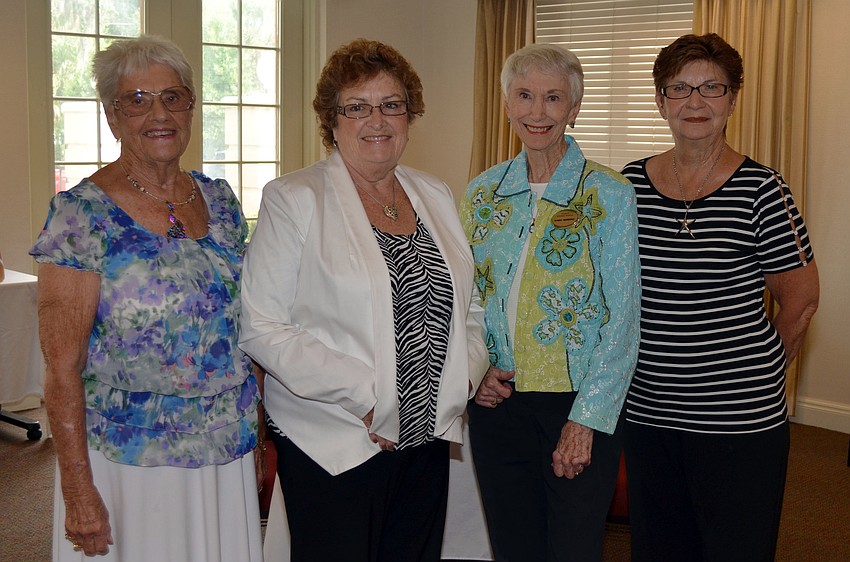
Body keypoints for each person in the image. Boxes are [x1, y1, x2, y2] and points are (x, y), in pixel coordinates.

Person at [238, 38, 490, 562]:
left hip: (427, 433)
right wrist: (374, 400)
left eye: (391, 105)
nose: (376, 120)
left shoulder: (435, 193)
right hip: (338, 438)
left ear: (408, 115)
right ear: (332, 119)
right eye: (357, 107)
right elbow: (263, 326)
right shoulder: (294, 198)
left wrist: (458, 383)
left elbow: (470, 309)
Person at [30, 35, 264, 561]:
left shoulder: (221, 201)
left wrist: (256, 433)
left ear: (191, 107)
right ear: (112, 117)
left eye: (172, 97)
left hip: (224, 447)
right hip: (130, 460)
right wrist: (77, 489)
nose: (158, 113)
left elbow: (247, 329)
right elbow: (60, 367)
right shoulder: (79, 217)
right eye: (136, 99)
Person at [620, 33, 820, 562]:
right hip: (647, 413)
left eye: (712, 87)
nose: (695, 102)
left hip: (739, 421)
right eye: (680, 89)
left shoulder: (763, 189)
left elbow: (800, 301)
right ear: (660, 101)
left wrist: (761, 374)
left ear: (733, 99)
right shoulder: (627, 186)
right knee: (660, 548)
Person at [459, 43, 641, 561]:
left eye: (553, 98)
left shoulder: (608, 194)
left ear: (574, 109)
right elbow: (463, 299)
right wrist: (476, 372)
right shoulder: (481, 193)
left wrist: (585, 420)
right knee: (513, 545)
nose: (537, 112)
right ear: (506, 105)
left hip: (577, 404)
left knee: (571, 547)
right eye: (524, 96)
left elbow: (623, 317)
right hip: (500, 400)